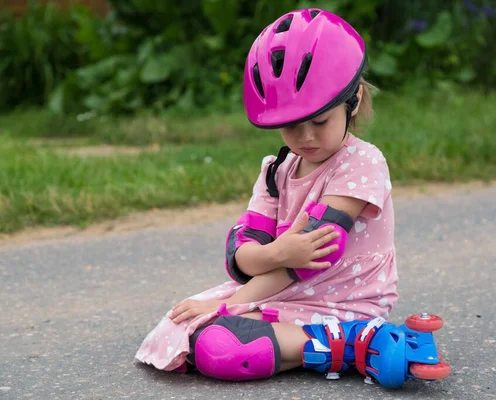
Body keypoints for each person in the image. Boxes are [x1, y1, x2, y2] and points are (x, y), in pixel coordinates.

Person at [136, 8, 424, 388]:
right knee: (193, 334)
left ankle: (360, 340)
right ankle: (333, 348)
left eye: (320, 122)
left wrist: (229, 303)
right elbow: (241, 253)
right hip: (286, 291)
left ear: (351, 103)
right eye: (291, 126)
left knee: (224, 347)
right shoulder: (277, 170)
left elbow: (311, 259)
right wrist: (276, 253)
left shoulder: (361, 162)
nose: (306, 138)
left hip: (344, 303)